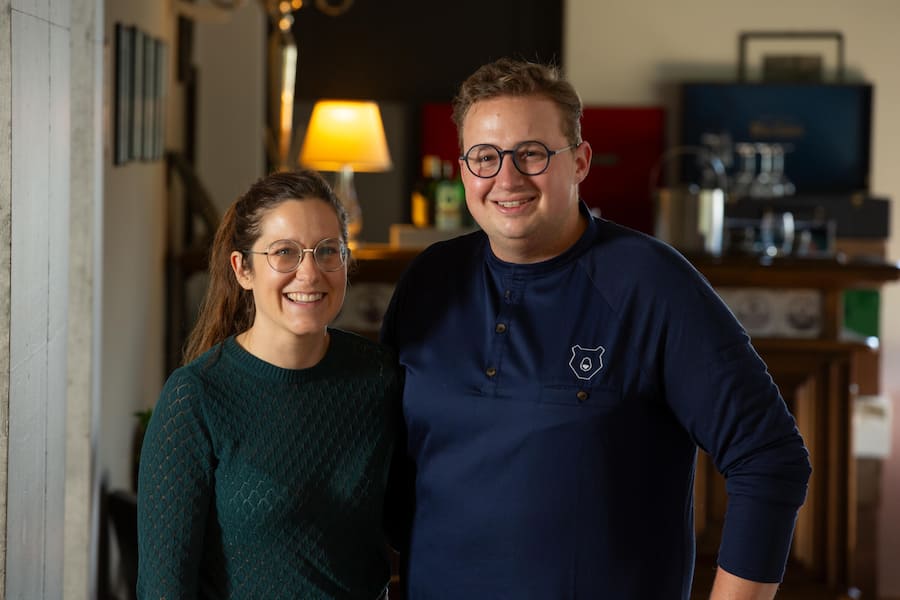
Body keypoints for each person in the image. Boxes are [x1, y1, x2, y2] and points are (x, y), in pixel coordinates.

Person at [380, 58, 812, 599]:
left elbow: (769, 456)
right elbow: (382, 463)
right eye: (485, 157)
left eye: (532, 153)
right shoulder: (429, 281)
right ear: (464, 169)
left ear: (580, 161)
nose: (507, 179)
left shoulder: (652, 284)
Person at [137, 170, 401, 599]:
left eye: (327, 251)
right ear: (243, 269)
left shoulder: (379, 378)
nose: (309, 273)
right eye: (284, 253)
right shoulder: (195, 399)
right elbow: (163, 589)